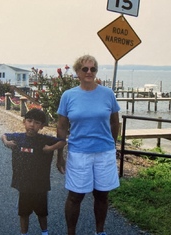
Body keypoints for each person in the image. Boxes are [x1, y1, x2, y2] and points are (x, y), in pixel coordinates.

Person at [56, 55, 120, 235]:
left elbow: (115, 122)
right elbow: (61, 126)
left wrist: (112, 145)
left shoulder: (107, 94)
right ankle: (71, 232)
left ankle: (100, 231)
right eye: (85, 69)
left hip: (104, 152)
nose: (89, 72)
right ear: (77, 72)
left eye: (93, 69)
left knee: (102, 195)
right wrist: (59, 155)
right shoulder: (68, 96)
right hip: (79, 153)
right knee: (75, 196)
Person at [1, 108, 66, 235]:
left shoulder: (44, 140)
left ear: (42, 126)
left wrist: (50, 148)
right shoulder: (18, 138)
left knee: (42, 212)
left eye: (37, 122)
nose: (32, 125)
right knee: (23, 213)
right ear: (24, 122)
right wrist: (6, 142)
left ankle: (45, 232)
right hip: (23, 185)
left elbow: (63, 142)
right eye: (29, 121)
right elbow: (4, 135)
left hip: (40, 185)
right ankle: (23, 233)